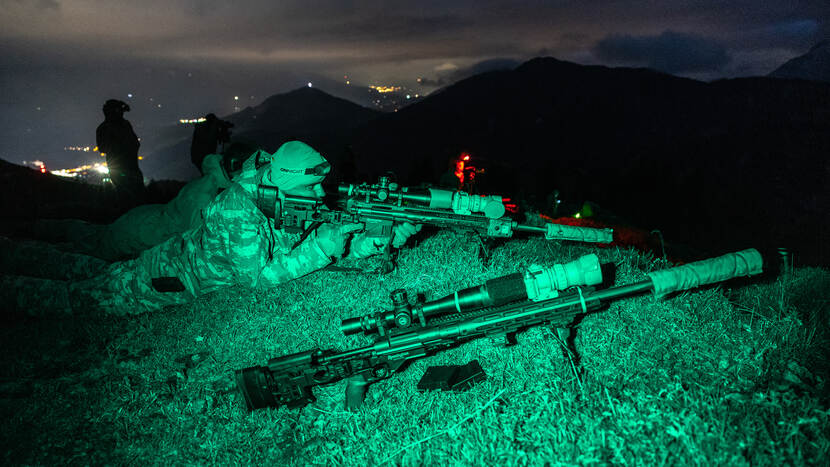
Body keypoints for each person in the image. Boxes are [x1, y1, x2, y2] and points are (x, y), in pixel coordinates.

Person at [1, 141, 420, 318]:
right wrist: (322, 249)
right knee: (76, 297)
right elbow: (257, 279)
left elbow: (314, 239)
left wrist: (374, 240)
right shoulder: (237, 208)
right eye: (311, 187)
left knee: (82, 268)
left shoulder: (286, 196)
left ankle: (14, 250)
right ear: (284, 182)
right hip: (163, 278)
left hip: (166, 262)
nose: (320, 194)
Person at [30, 143, 257, 261]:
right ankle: (27, 243)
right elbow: (196, 244)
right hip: (140, 234)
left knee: (90, 233)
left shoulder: (214, 181)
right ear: (237, 169)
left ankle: (36, 227)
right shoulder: (205, 196)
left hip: (143, 220)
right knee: (79, 251)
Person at [96, 99, 144, 207]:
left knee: (132, 196)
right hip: (123, 168)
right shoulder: (106, 128)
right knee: (126, 197)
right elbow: (103, 148)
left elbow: (135, 143)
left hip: (130, 168)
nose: (121, 114)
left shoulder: (123, 125)